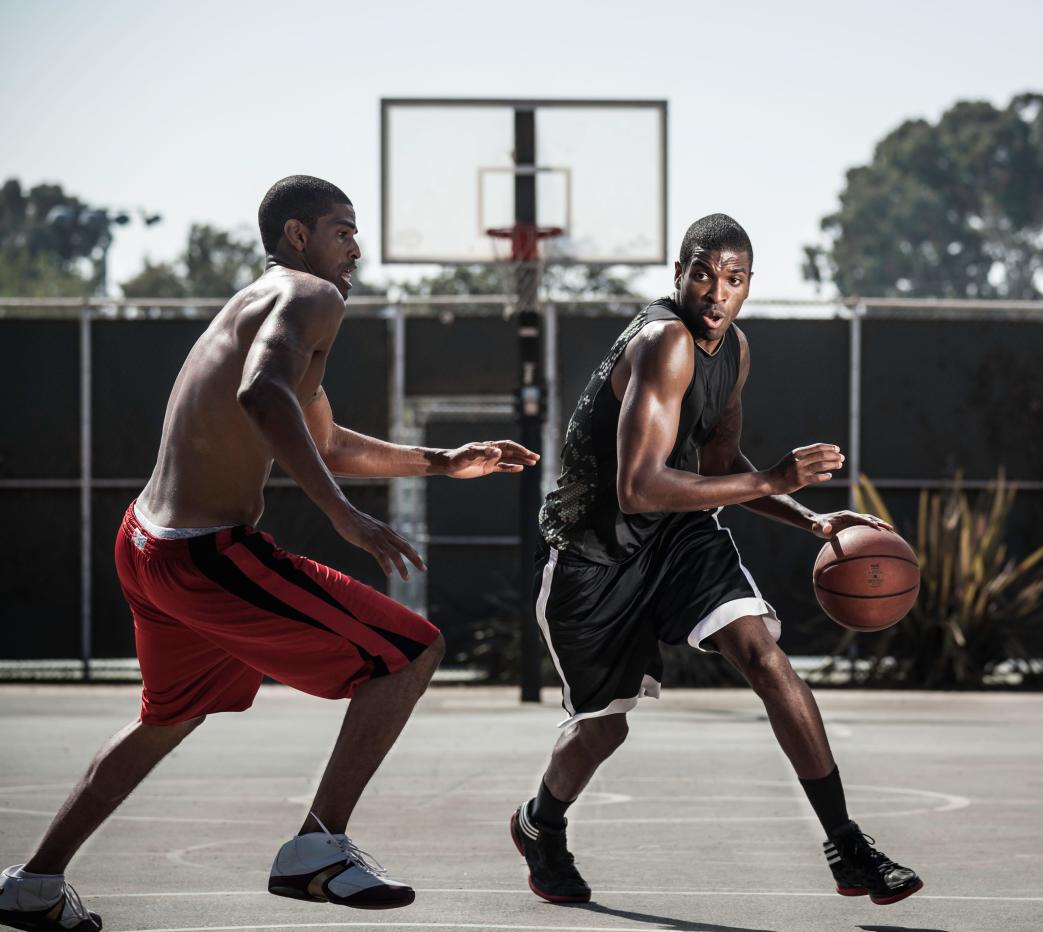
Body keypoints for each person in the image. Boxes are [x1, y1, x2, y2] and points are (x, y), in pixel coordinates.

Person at [0, 175, 538, 932]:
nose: (357, 246)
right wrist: (343, 516)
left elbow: (323, 439)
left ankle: (34, 881)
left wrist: (442, 459)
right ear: (297, 235)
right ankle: (318, 848)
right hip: (203, 556)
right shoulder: (313, 297)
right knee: (411, 652)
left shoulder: (261, 303)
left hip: (146, 541)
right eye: (343, 230)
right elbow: (262, 395)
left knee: (166, 718)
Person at [509, 214, 921, 908]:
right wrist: (774, 482)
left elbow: (722, 463)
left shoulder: (734, 349)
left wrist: (810, 518)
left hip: (678, 536)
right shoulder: (664, 341)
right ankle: (540, 824)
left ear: (748, 287)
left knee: (764, 656)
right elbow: (636, 485)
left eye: (732, 279)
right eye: (702, 273)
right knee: (604, 727)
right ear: (678, 275)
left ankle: (847, 845)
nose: (715, 291)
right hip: (594, 555)